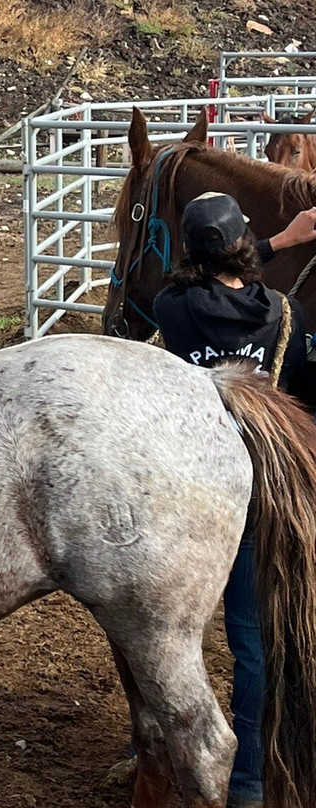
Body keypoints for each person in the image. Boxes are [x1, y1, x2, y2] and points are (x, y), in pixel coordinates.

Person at [152, 192, 315, 808]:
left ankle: (158, 751)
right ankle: (247, 780)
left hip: (188, 494)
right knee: (252, 643)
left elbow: (194, 285)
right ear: (245, 244)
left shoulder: (172, 309)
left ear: (190, 254)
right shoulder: (285, 314)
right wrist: (282, 243)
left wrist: (271, 244)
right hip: (258, 497)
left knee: (168, 632)